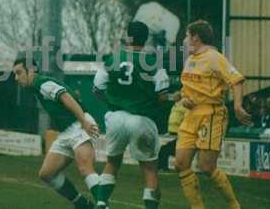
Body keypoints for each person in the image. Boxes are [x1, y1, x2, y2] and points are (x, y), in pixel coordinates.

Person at [175, 20, 252, 209]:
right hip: (191, 115)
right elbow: (188, 89)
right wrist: (183, 98)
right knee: (180, 163)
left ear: (195, 37)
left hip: (211, 114)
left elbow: (236, 80)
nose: (184, 40)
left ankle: (234, 206)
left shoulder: (215, 57)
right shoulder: (190, 59)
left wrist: (237, 106)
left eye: (186, 36)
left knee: (207, 166)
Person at [93, 21, 169, 209]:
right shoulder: (153, 63)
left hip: (116, 118)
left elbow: (97, 89)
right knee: (149, 169)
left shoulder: (111, 60)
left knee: (112, 163)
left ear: (128, 37)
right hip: (141, 119)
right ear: (146, 39)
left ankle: (101, 202)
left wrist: (112, 101)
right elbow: (163, 96)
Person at [13, 57, 100, 209]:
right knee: (47, 174)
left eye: (19, 73)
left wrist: (84, 122)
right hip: (67, 131)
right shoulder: (37, 86)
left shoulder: (42, 83)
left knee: (85, 168)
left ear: (31, 71)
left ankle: (103, 205)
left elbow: (66, 97)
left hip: (79, 125)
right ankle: (82, 204)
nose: (16, 78)